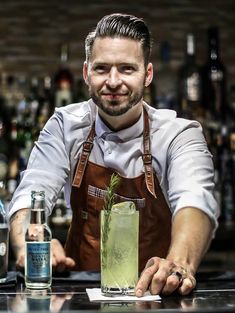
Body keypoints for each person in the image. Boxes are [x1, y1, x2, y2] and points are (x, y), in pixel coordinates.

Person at [8, 13, 219, 296]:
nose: (113, 81)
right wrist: (29, 240)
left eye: (127, 69)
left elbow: (196, 202)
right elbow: (31, 194)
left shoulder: (178, 134)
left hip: (155, 294)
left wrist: (179, 263)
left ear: (148, 74)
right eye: (102, 68)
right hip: (77, 293)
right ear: (86, 73)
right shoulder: (64, 126)